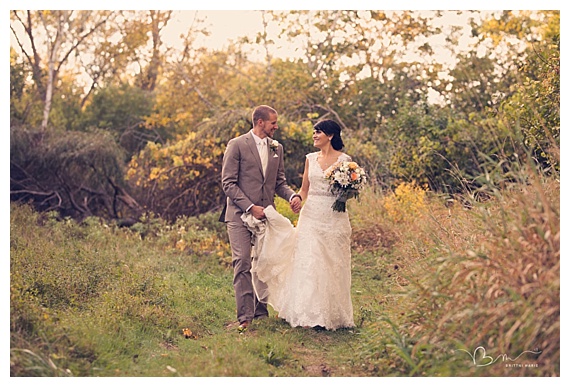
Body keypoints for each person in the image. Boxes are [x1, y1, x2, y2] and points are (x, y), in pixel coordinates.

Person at [251, 119, 355, 331]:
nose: (314, 135)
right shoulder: (310, 159)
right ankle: (307, 314)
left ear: (331, 135)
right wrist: (297, 198)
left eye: (318, 132)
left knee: (333, 263)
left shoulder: (346, 161)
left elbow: (350, 191)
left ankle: (332, 313)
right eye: (314, 132)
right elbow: (305, 189)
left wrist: (347, 193)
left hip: (334, 218)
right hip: (311, 217)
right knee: (309, 261)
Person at [220, 105, 302, 332]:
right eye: (273, 122)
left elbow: (279, 183)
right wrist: (249, 207)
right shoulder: (236, 145)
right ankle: (245, 317)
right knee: (243, 261)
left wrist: (292, 196)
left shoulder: (277, 148)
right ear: (260, 122)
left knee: (263, 262)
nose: (276, 126)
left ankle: (261, 311)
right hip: (238, 214)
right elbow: (228, 183)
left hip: (266, 215)